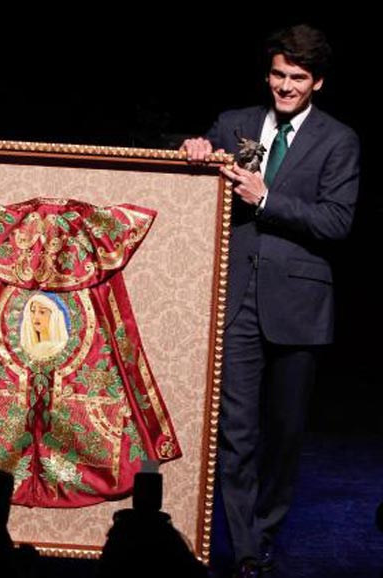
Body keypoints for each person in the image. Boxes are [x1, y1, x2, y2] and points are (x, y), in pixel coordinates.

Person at [181, 24, 359, 578]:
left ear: (318, 83)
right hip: (235, 299)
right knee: (236, 431)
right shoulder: (234, 123)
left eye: (298, 78)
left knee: (283, 433)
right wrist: (187, 150)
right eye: (279, 75)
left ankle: (267, 526)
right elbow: (192, 179)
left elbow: (337, 221)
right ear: (268, 74)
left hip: (299, 307)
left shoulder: (339, 140)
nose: (286, 86)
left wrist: (267, 199)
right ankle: (247, 548)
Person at [19, 292, 70, 360]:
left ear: (53, 316)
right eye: (33, 311)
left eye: (42, 312)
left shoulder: (60, 349)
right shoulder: (26, 349)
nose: (36, 317)